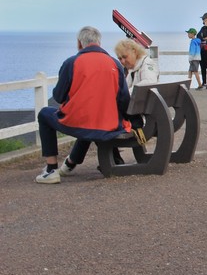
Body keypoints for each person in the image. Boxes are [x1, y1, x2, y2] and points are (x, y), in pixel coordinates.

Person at [34, 26, 131, 184]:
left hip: (81, 121)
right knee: (92, 119)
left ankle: (51, 170)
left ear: (80, 43)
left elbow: (58, 96)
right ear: (99, 43)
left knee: (44, 114)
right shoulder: (115, 64)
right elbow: (124, 99)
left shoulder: (71, 63)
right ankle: (70, 164)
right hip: (107, 123)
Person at [59, 38, 161, 175]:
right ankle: (112, 160)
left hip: (141, 120)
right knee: (97, 120)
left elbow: (148, 84)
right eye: (120, 58)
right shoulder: (134, 69)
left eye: (125, 57)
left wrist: (119, 94)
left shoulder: (146, 65)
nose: (122, 61)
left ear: (134, 51)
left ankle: (73, 161)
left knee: (96, 121)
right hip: (138, 114)